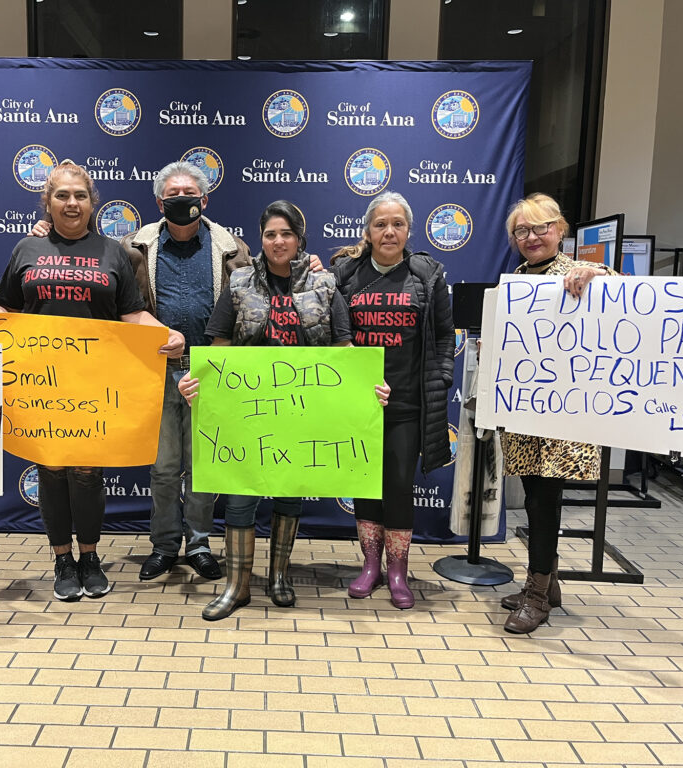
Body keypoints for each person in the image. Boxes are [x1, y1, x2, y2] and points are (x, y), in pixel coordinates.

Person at [0, 161, 184, 602]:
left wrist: (165, 333)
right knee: (52, 467)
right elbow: (4, 307)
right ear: (48, 201)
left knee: (87, 471)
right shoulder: (26, 249)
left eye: (80, 196)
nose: (71, 203)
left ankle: (90, 556)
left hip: (96, 382)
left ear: (92, 203)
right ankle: (62, 558)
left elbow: (131, 313)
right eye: (62, 195)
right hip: (41, 382)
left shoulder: (113, 252)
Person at [31, 162, 251, 582]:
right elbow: (84, 256)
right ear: (159, 201)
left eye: (189, 192)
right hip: (153, 371)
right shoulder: (132, 246)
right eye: (172, 193)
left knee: (203, 466)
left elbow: (261, 286)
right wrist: (43, 231)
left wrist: (309, 262)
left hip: (212, 371)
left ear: (204, 199)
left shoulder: (233, 248)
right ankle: (165, 546)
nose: (181, 198)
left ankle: (200, 544)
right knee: (164, 467)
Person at [178, 200, 384, 620]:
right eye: (271, 234)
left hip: (302, 415)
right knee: (239, 499)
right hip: (246, 412)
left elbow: (344, 353)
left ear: (299, 238)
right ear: (261, 239)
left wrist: (369, 391)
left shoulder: (325, 288)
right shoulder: (238, 284)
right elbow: (218, 347)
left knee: (290, 495)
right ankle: (237, 586)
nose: (278, 241)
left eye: (287, 233)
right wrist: (194, 381)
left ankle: (279, 576)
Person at [332, 192, 455, 609]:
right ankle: (370, 566)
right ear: (367, 230)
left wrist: (440, 381)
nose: (389, 231)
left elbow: (442, 337)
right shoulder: (345, 274)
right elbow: (334, 336)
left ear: (408, 230)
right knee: (365, 485)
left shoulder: (427, 276)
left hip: (407, 405)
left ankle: (398, 571)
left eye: (397, 224)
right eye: (380, 224)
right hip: (359, 404)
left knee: (399, 487)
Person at [498, 193, 610, 634]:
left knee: (545, 502)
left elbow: (632, 299)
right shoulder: (520, 278)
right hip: (527, 412)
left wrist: (598, 271)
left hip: (564, 416)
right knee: (534, 498)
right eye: (521, 231)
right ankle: (548, 583)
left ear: (561, 229)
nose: (531, 237)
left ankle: (538, 595)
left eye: (541, 227)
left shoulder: (580, 274)